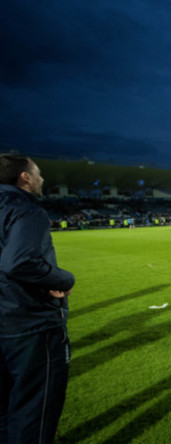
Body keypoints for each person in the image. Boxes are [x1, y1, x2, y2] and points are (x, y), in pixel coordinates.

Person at [0, 154, 75, 444]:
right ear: (25, 177)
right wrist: (63, 279)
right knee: (35, 412)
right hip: (28, 325)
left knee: (4, 413)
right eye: (38, 173)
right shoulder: (26, 209)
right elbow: (19, 262)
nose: (42, 179)